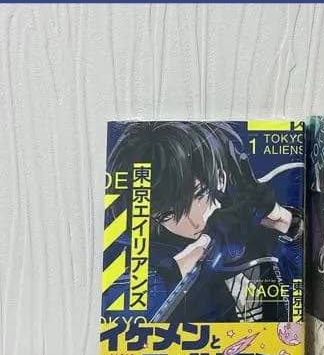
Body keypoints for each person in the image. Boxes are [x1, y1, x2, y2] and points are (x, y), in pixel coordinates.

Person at [107, 122, 301, 322]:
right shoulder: (141, 255)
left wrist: (280, 218)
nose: (194, 222)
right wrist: (205, 244)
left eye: (200, 193)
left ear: (220, 178)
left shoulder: (251, 213)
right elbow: (125, 320)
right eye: (168, 215)